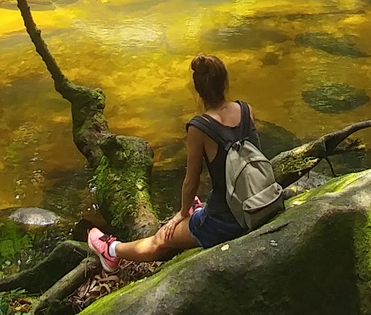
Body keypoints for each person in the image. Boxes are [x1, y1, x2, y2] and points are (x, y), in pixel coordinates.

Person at [87, 55, 255, 269]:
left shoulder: (199, 127)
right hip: (256, 202)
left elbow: (190, 182)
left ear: (198, 90)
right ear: (225, 82)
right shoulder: (247, 110)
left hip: (226, 221)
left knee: (161, 238)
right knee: (193, 216)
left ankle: (111, 252)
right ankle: (198, 212)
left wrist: (181, 214)